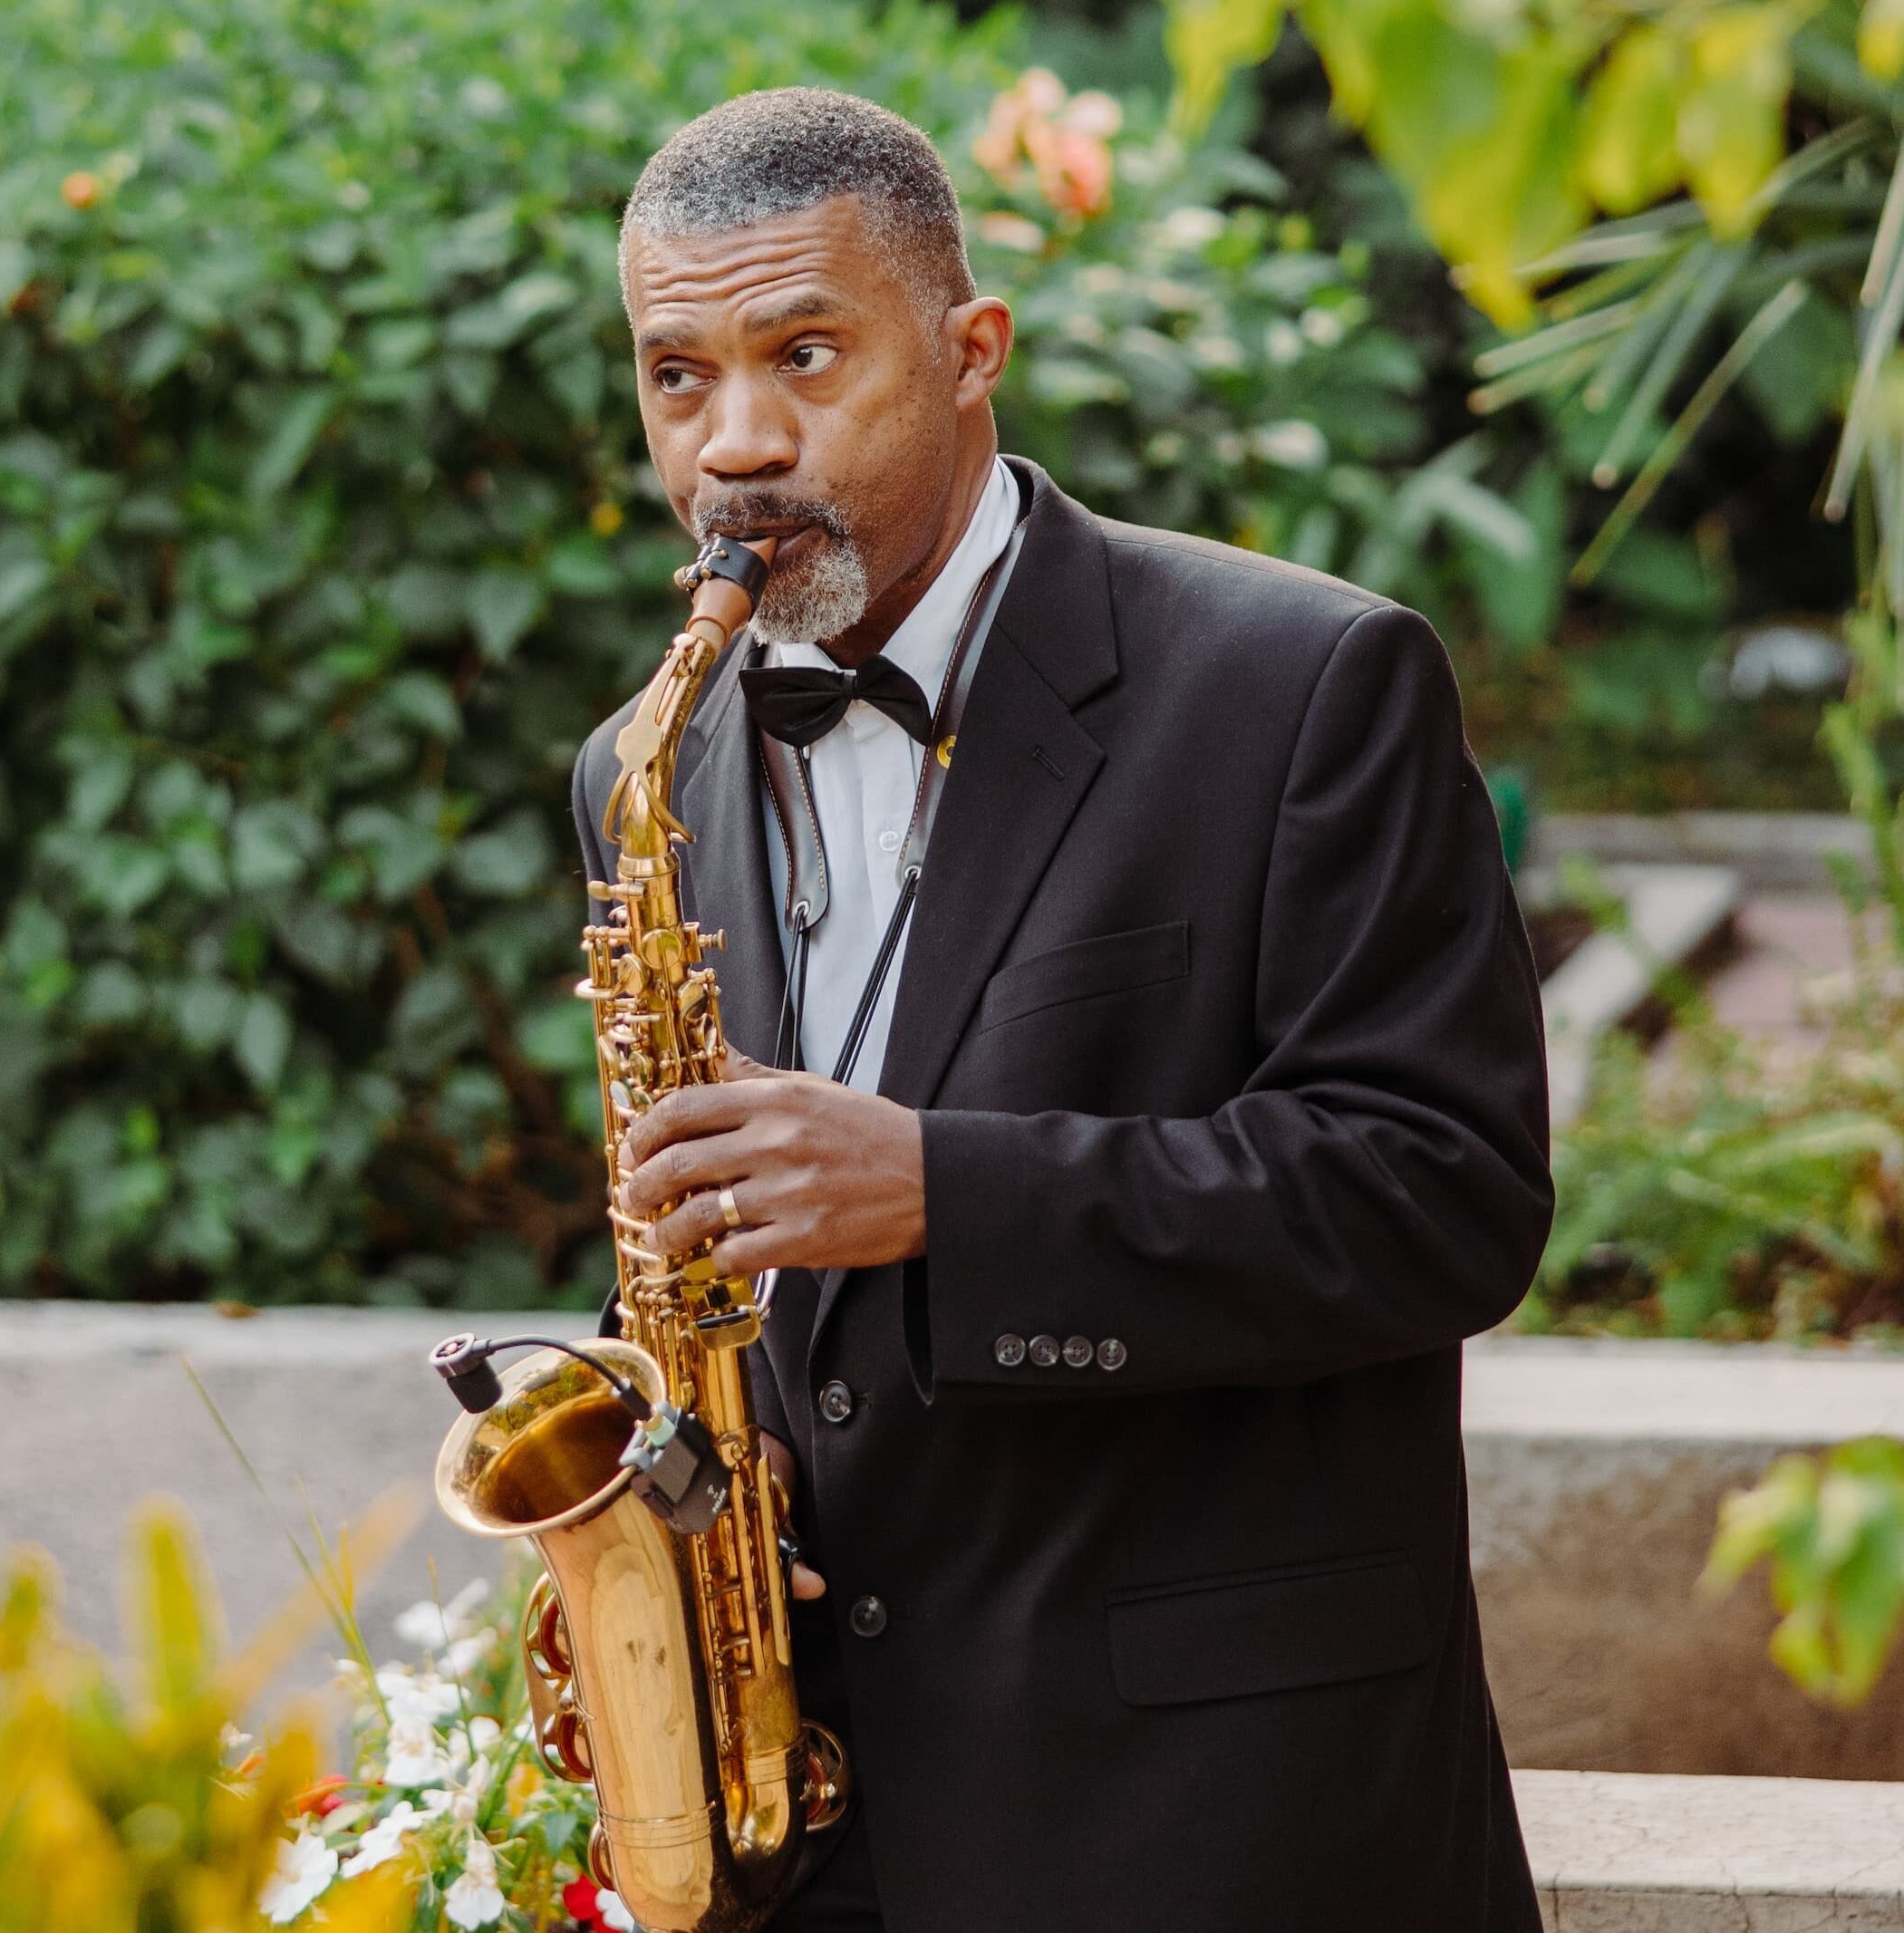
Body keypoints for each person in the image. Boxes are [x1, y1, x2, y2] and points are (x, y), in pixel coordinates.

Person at [567, 88, 1555, 1931]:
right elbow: (720, 1237)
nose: (737, 443)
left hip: (1215, 1817)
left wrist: (947, 1188)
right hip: (825, 1815)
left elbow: (1445, 1196)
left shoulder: (1304, 682)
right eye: (676, 377)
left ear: (969, 352)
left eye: (802, 353)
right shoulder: (648, 758)